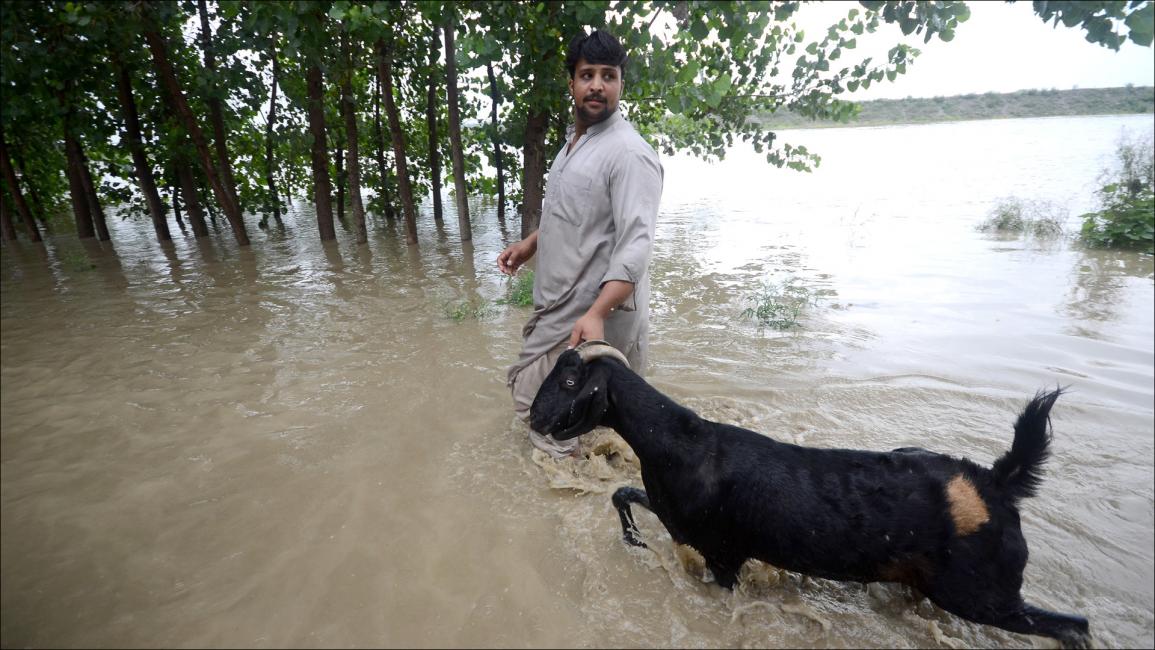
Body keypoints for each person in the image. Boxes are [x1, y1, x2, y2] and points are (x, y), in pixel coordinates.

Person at [497, 29, 664, 459]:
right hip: (561, 305)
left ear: (620, 85)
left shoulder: (629, 154)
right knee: (574, 421)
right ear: (571, 83)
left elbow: (635, 248)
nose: (597, 85)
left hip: (590, 314)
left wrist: (596, 313)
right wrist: (532, 243)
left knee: (548, 422)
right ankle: (599, 474)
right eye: (587, 74)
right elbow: (575, 215)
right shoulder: (576, 143)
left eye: (608, 75)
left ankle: (576, 513)